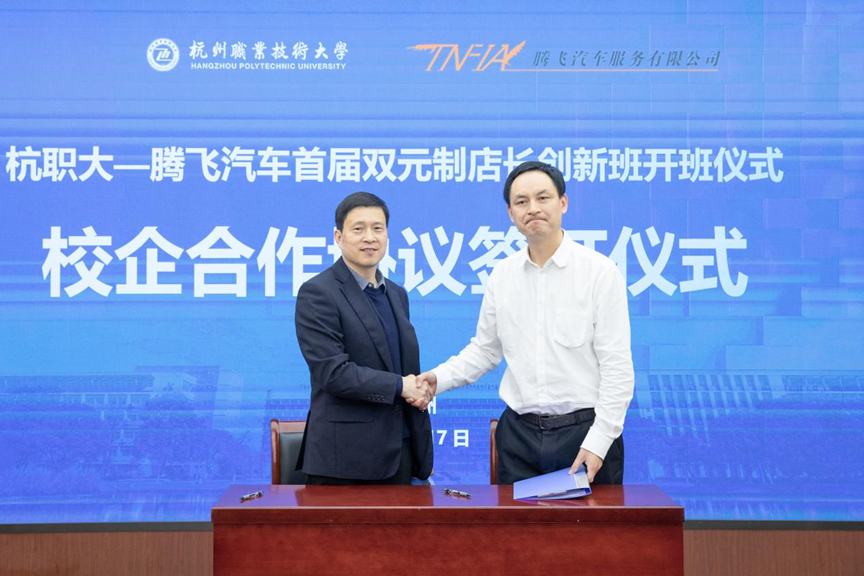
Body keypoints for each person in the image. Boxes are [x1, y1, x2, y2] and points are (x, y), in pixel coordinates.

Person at [414, 161, 634, 485]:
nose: (533, 208)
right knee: (516, 522)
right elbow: (485, 351)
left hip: (584, 437)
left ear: (563, 203)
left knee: (590, 522)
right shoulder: (502, 275)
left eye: (543, 198)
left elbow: (617, 369)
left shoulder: (599, 273)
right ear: (511, 213)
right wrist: (438, 379)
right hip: (519, 439)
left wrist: (599, 441)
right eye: (521, 201)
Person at [294, 192, 433, 485]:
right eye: (358, 229)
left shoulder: (396, 294)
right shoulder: (318, 292)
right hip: (345, 460)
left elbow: (400, 367)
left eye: (377, 228)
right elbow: (333, 373)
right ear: (339, 236)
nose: (369, 237)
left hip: (401, 452)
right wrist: (401, 386)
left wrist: (418, 390)